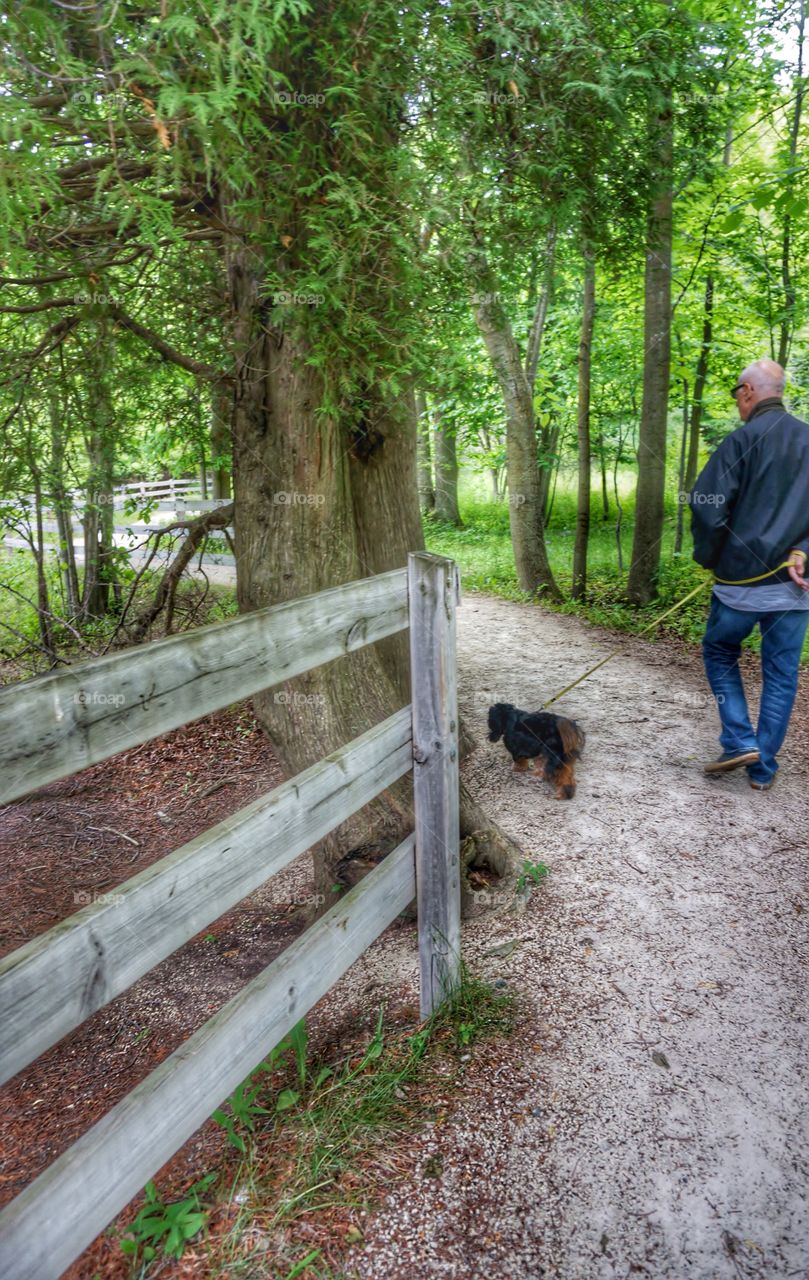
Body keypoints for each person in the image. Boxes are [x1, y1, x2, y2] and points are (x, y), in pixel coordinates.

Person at [688, 357, 809, 791]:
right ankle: (763, 769)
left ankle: (740, 739)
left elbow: (705, 506)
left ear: (748, 392)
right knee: (781, 674)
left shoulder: (740, 442)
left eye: (737, 394)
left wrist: (714, 558)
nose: (738, 403)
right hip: (794, 591)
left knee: (720, 653)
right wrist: (803, 551)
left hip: (739, 588)